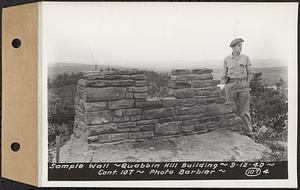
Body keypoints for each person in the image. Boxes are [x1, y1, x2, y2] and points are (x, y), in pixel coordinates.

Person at [223, 38, 254, 139]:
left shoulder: (245, 58)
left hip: (243, 85)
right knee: (231, 109)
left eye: (241, 45)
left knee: (245, 111)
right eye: (239, 45)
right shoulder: (226, 59)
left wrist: (246, 84)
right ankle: (233, 132)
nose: (241, 47)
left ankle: (249, 133)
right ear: (233, 47)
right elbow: (224, 75)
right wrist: (227, 85)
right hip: (231, 85)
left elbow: (250, 72)